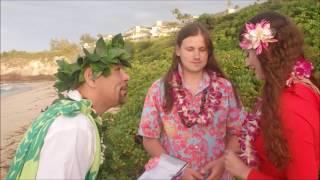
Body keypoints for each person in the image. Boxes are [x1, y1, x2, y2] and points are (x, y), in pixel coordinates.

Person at [6, 34, 130, 180]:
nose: (127, 76)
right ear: (91, 77)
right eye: (118, 70)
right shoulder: (74, 125)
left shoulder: (67, 114)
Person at [138, 22, 246, 180]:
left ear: (208, 53)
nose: (197, 56)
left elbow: (240, 132)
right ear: (177, 50)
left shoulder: (224, 87)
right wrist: (178, 170)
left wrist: (223, 161)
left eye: (202, 49)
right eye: (190, 49)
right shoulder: (159, 89)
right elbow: (149, 139)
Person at [224, 11, 320, 179]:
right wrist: (225, 161)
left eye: (248, 53)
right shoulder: (287, 88)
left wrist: (245, 173)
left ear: (265, 52)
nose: (247, 63)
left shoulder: (291, 107)